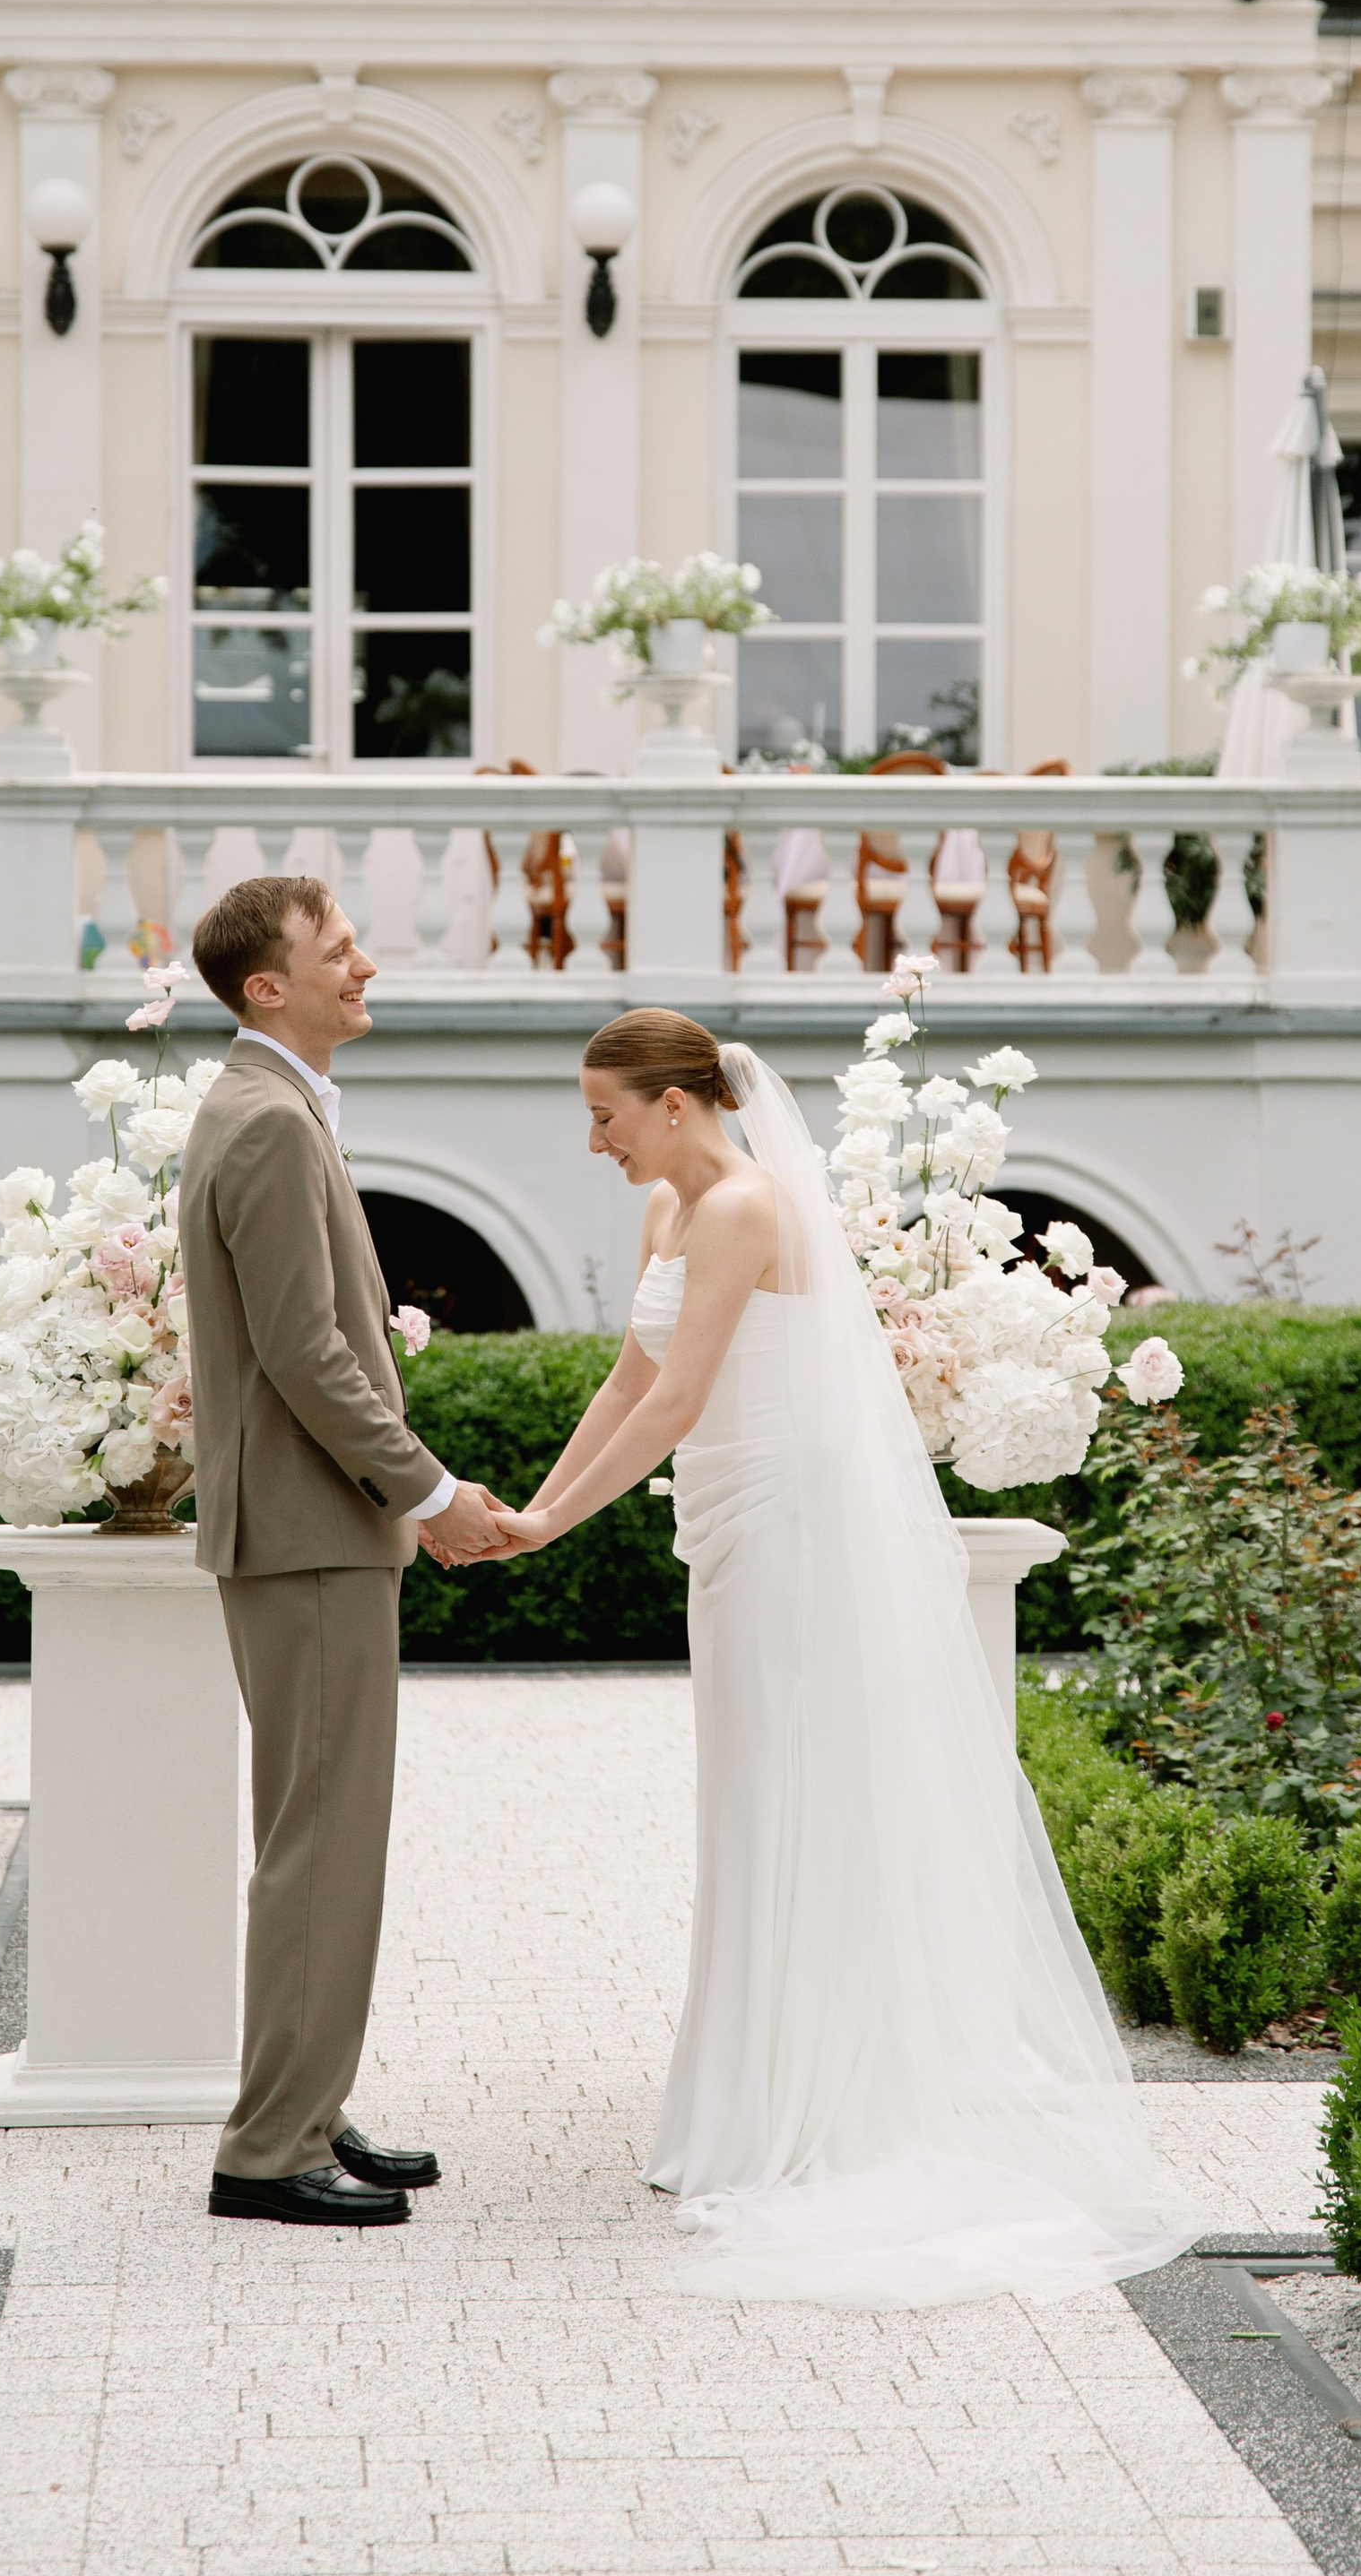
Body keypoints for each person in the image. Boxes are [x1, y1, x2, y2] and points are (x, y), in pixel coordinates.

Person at [489, 1007, 1199, 2307]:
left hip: (785, 1531)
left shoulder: (749, 1208)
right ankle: (744, 2095)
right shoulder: (665, 1213)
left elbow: (686, 1398)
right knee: (744, 1796)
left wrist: (548, 1528)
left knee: (789, 1792)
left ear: (676, 1104)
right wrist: (535, 1508)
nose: (591, 1140)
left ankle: (803, 2104)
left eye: (605, 1115)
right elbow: (625, 1381)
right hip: (726, 1529)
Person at [178, 871, 516, 2229]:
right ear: (271, 987)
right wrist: (429, 1493)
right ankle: (268, 2152)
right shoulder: (263, 1121)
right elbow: (306, 1349)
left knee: (317, 1834)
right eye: (339, 949)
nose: (365, 964)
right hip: (310, 1535)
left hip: (316, 1534)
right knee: (322, 1841)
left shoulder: (278, 1106)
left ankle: (303, 2105)